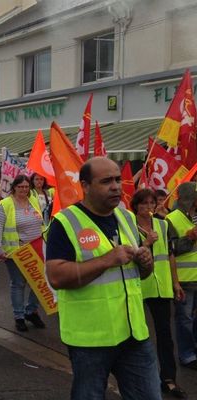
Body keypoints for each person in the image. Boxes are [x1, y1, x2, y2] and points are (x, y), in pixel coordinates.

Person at [45, 157, 159, 400]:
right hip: (90, 340)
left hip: (134, 334)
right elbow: (55, 276)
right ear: (85, 186)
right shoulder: (65, 222)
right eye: (106, 181)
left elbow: (138, 273)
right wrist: (107, 260)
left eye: (118, 179)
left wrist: (146, 263)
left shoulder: (127, 218)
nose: (116, 186)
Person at [131, 189, 187, 398]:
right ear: (135, 205)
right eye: (143, 204)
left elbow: (170, 255)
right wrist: (145, 244)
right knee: (138, 335)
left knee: (165, 334)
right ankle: (140, 378)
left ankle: (169, 379)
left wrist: (176, 283)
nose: (148, 208)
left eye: (151, 203)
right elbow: (125, 254)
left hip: (161, 286)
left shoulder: (163, 225)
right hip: (138, 287)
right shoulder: (128, 226)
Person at [0, 174, 45, 331]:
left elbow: (42, 222)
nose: (24, 189)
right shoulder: (6, 204)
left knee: (39, 282)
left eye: (26, 187)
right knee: (19, 283)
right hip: (15, 252)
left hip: (36, 250)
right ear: (14, 187)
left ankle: (31, 311)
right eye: (20, 186)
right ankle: (19, 316)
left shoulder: (33, 201)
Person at [166, 181, 197, 371]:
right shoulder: (171, 219)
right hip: (184, 280)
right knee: (184, 319)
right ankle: (187, 354)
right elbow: (169, 251)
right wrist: (190, 238)